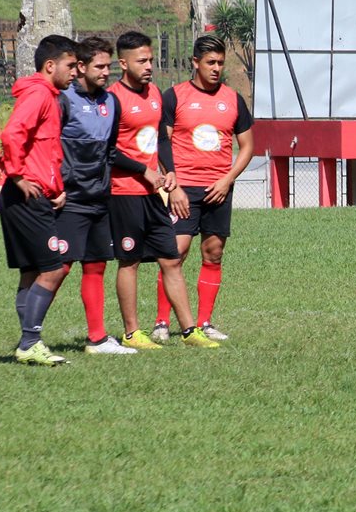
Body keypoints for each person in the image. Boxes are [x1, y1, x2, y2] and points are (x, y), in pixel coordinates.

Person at [107, 31, 219, 350]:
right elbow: (108, 150)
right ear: (123, 63)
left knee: (170, 259)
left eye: (151, 60)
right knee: (128, 262)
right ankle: (132, 333)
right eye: (141, 61)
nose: (149, 66)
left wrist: (170, 173)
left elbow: (160, 140)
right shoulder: (113, 99)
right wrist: (145, 171)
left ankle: (189, 331)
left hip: (154, 194)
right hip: (125, 192)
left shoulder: (155, 93)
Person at [149, 34, 254, 343]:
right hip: (185, 190)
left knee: (214, 253)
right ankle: (161, 322)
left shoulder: (233, 99)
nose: (216, 68)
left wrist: (228, 179)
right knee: (175, 253)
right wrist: (175, 183)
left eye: (220, 63)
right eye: (210, 62)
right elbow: (162, 140)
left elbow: (247, 146)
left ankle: (205, 322)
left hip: (219, 189)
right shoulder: (175, 96)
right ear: (195, 62)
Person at [0, 35, 78, 365]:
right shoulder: (39, 94)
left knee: (31, 272)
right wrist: (17, 175)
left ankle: (29, 343)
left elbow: (45, 150)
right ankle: (30, 342)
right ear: (50, 65)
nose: (76, 72)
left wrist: (55, 187)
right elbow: (12, 133)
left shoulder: (49, 95)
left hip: (34, 195)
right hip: (24, 196)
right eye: (71, 66)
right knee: (52, 267)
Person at [56, 36, 135, 355]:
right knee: (58, 268)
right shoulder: (63, 100)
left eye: (107, 65)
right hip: (69, 198)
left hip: (100, 197)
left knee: (96, 265)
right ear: (80, 67)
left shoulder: (111, 102)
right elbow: (50, 145)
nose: (105, 72)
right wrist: (57, 184)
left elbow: (110, 150)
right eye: (99, 66)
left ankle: (97, 338)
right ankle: (30, 334)